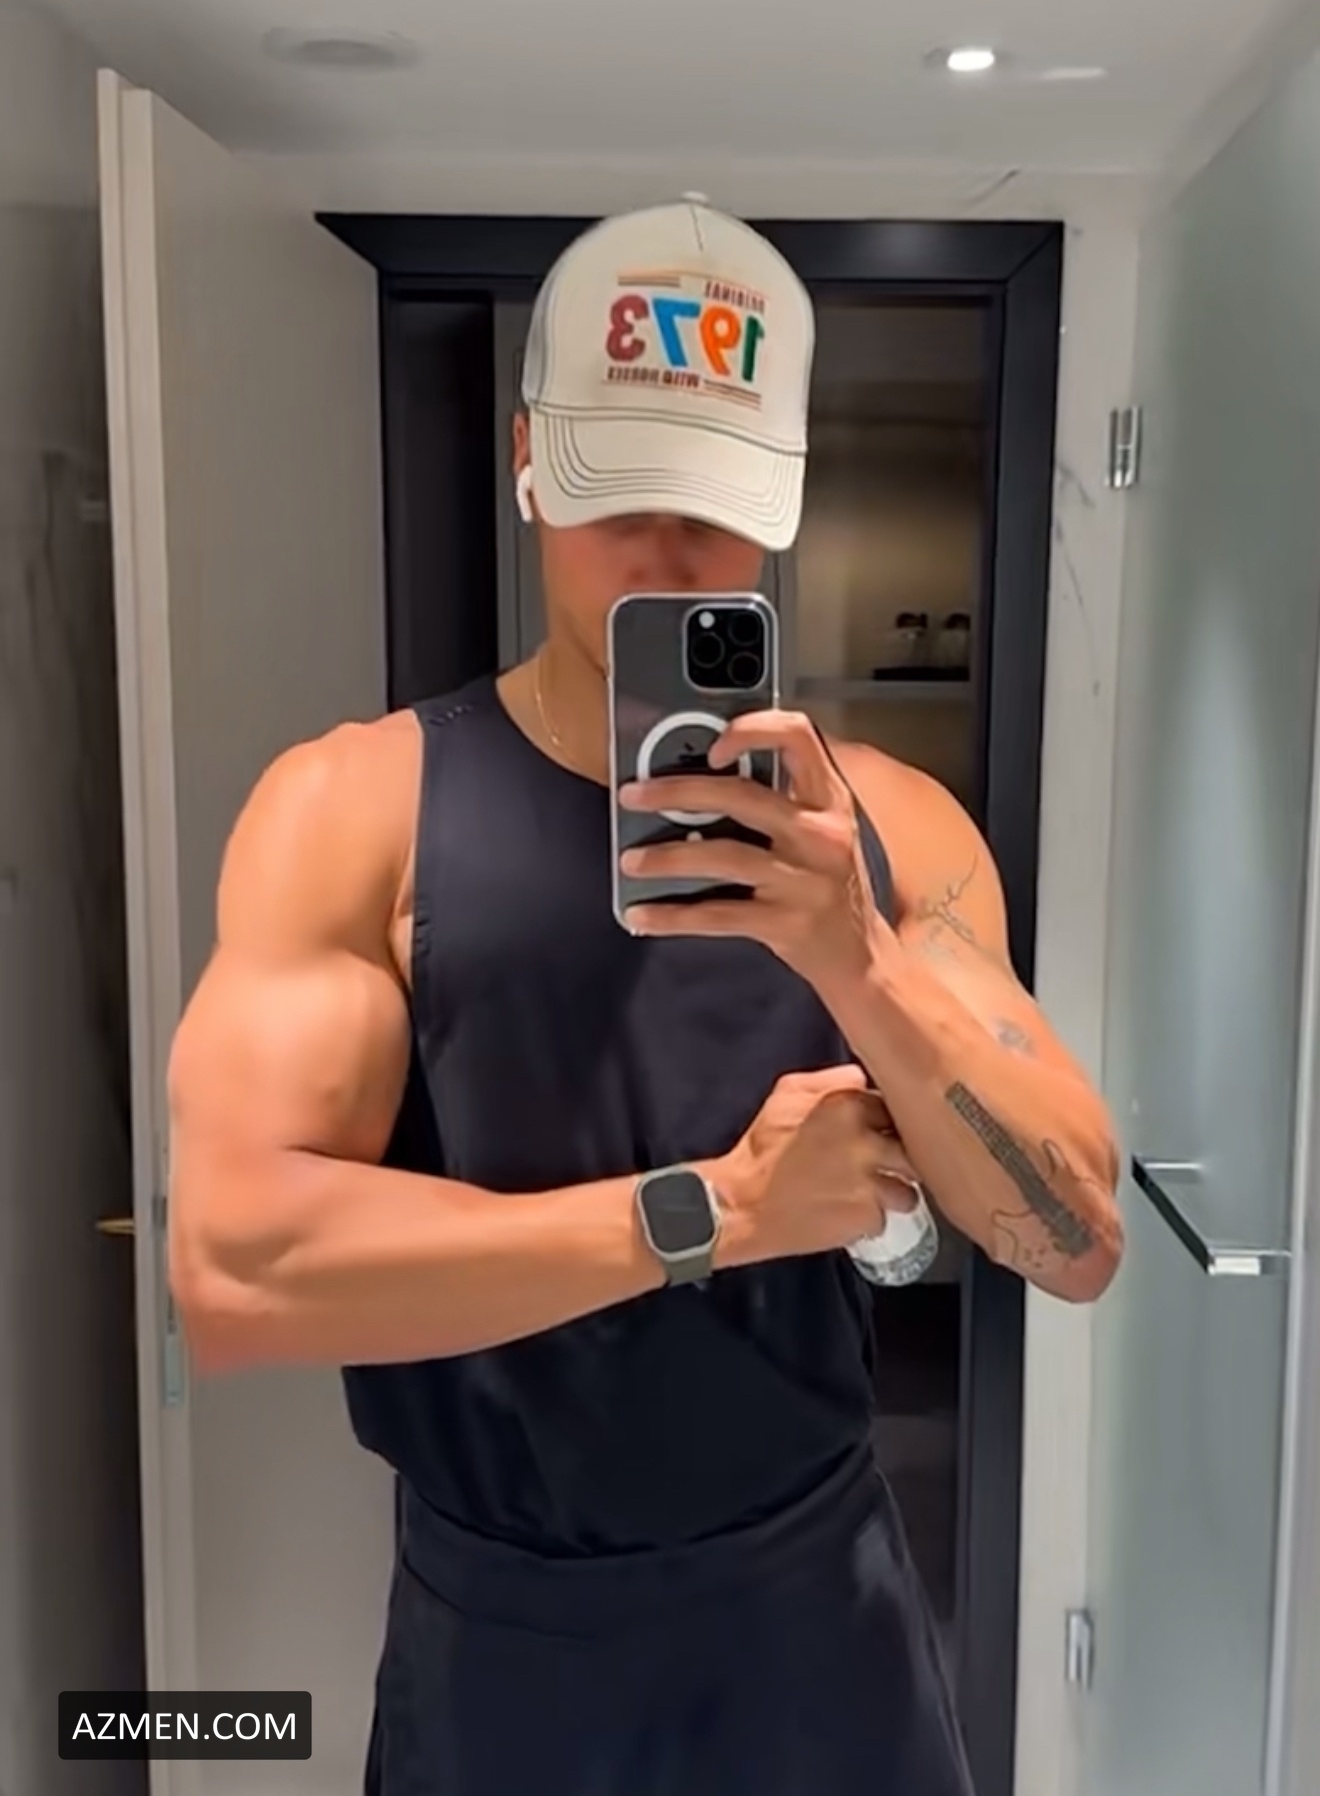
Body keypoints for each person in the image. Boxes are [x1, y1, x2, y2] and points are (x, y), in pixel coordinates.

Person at [165, 198, 1124, 1796]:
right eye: (617, 494)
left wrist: (858, 956)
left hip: (819, 1614)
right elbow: (235, 1263)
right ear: (530, 462)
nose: (664, 560)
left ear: (781, 503)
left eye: (712, 508)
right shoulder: (358, 807)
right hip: (505, 1635)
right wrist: (713, 1213)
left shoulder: (890, 830)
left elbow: (1077, 1236)